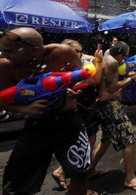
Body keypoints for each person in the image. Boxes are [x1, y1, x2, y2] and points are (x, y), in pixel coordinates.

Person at [0, 28, 102, 195]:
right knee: (16, 181)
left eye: (9, 51)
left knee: (81, 172)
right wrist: (24, 108)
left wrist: (72, 91)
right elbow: (1, 99)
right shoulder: (5, 66)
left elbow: (83, 78)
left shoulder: (62, 53)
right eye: (3, 50)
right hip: (36, 125)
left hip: (69, 121)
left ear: (35, 50)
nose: (4, 55)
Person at [90, 41, 136, 193]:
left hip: (105, 104)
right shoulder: (111, 63)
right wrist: (134, 77)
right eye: (125, 56)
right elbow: (112, 87)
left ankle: (89, 170)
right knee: (129, 138)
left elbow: (115, 75)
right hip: (109, 105)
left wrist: (133, 71)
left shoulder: (107, 56)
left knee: (106, 140)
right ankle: (129, 178)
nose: (125, 59)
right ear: (118, 55)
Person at [51, 39, 106, 190]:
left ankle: (67, 173)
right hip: (78, 109)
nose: (79, 54)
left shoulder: (73, 63)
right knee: (86, 144)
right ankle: (81, 185)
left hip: (83, 108)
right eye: (75, 51)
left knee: (85, 143)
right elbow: (95, 80)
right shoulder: (71, 69)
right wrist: (99, 62)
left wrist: (93, 58)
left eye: (80, 50)